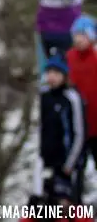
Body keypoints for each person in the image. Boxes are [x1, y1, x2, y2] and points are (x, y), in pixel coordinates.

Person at [40, 55, 87, 206]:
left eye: (56, 73)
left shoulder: (71, 97)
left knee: (69, 209)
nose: (51, 77)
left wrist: (69, 164)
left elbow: (79, 133)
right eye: (49, 72)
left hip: (67, 165)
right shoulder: (44, 96)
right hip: (47, 164)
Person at [68, 15, 97, 189]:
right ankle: (75, 211)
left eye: (83, 35)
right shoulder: (69, 57)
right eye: (76, 35)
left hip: (96, 124)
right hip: (78, 127)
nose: (78, 39)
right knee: (76, 171)